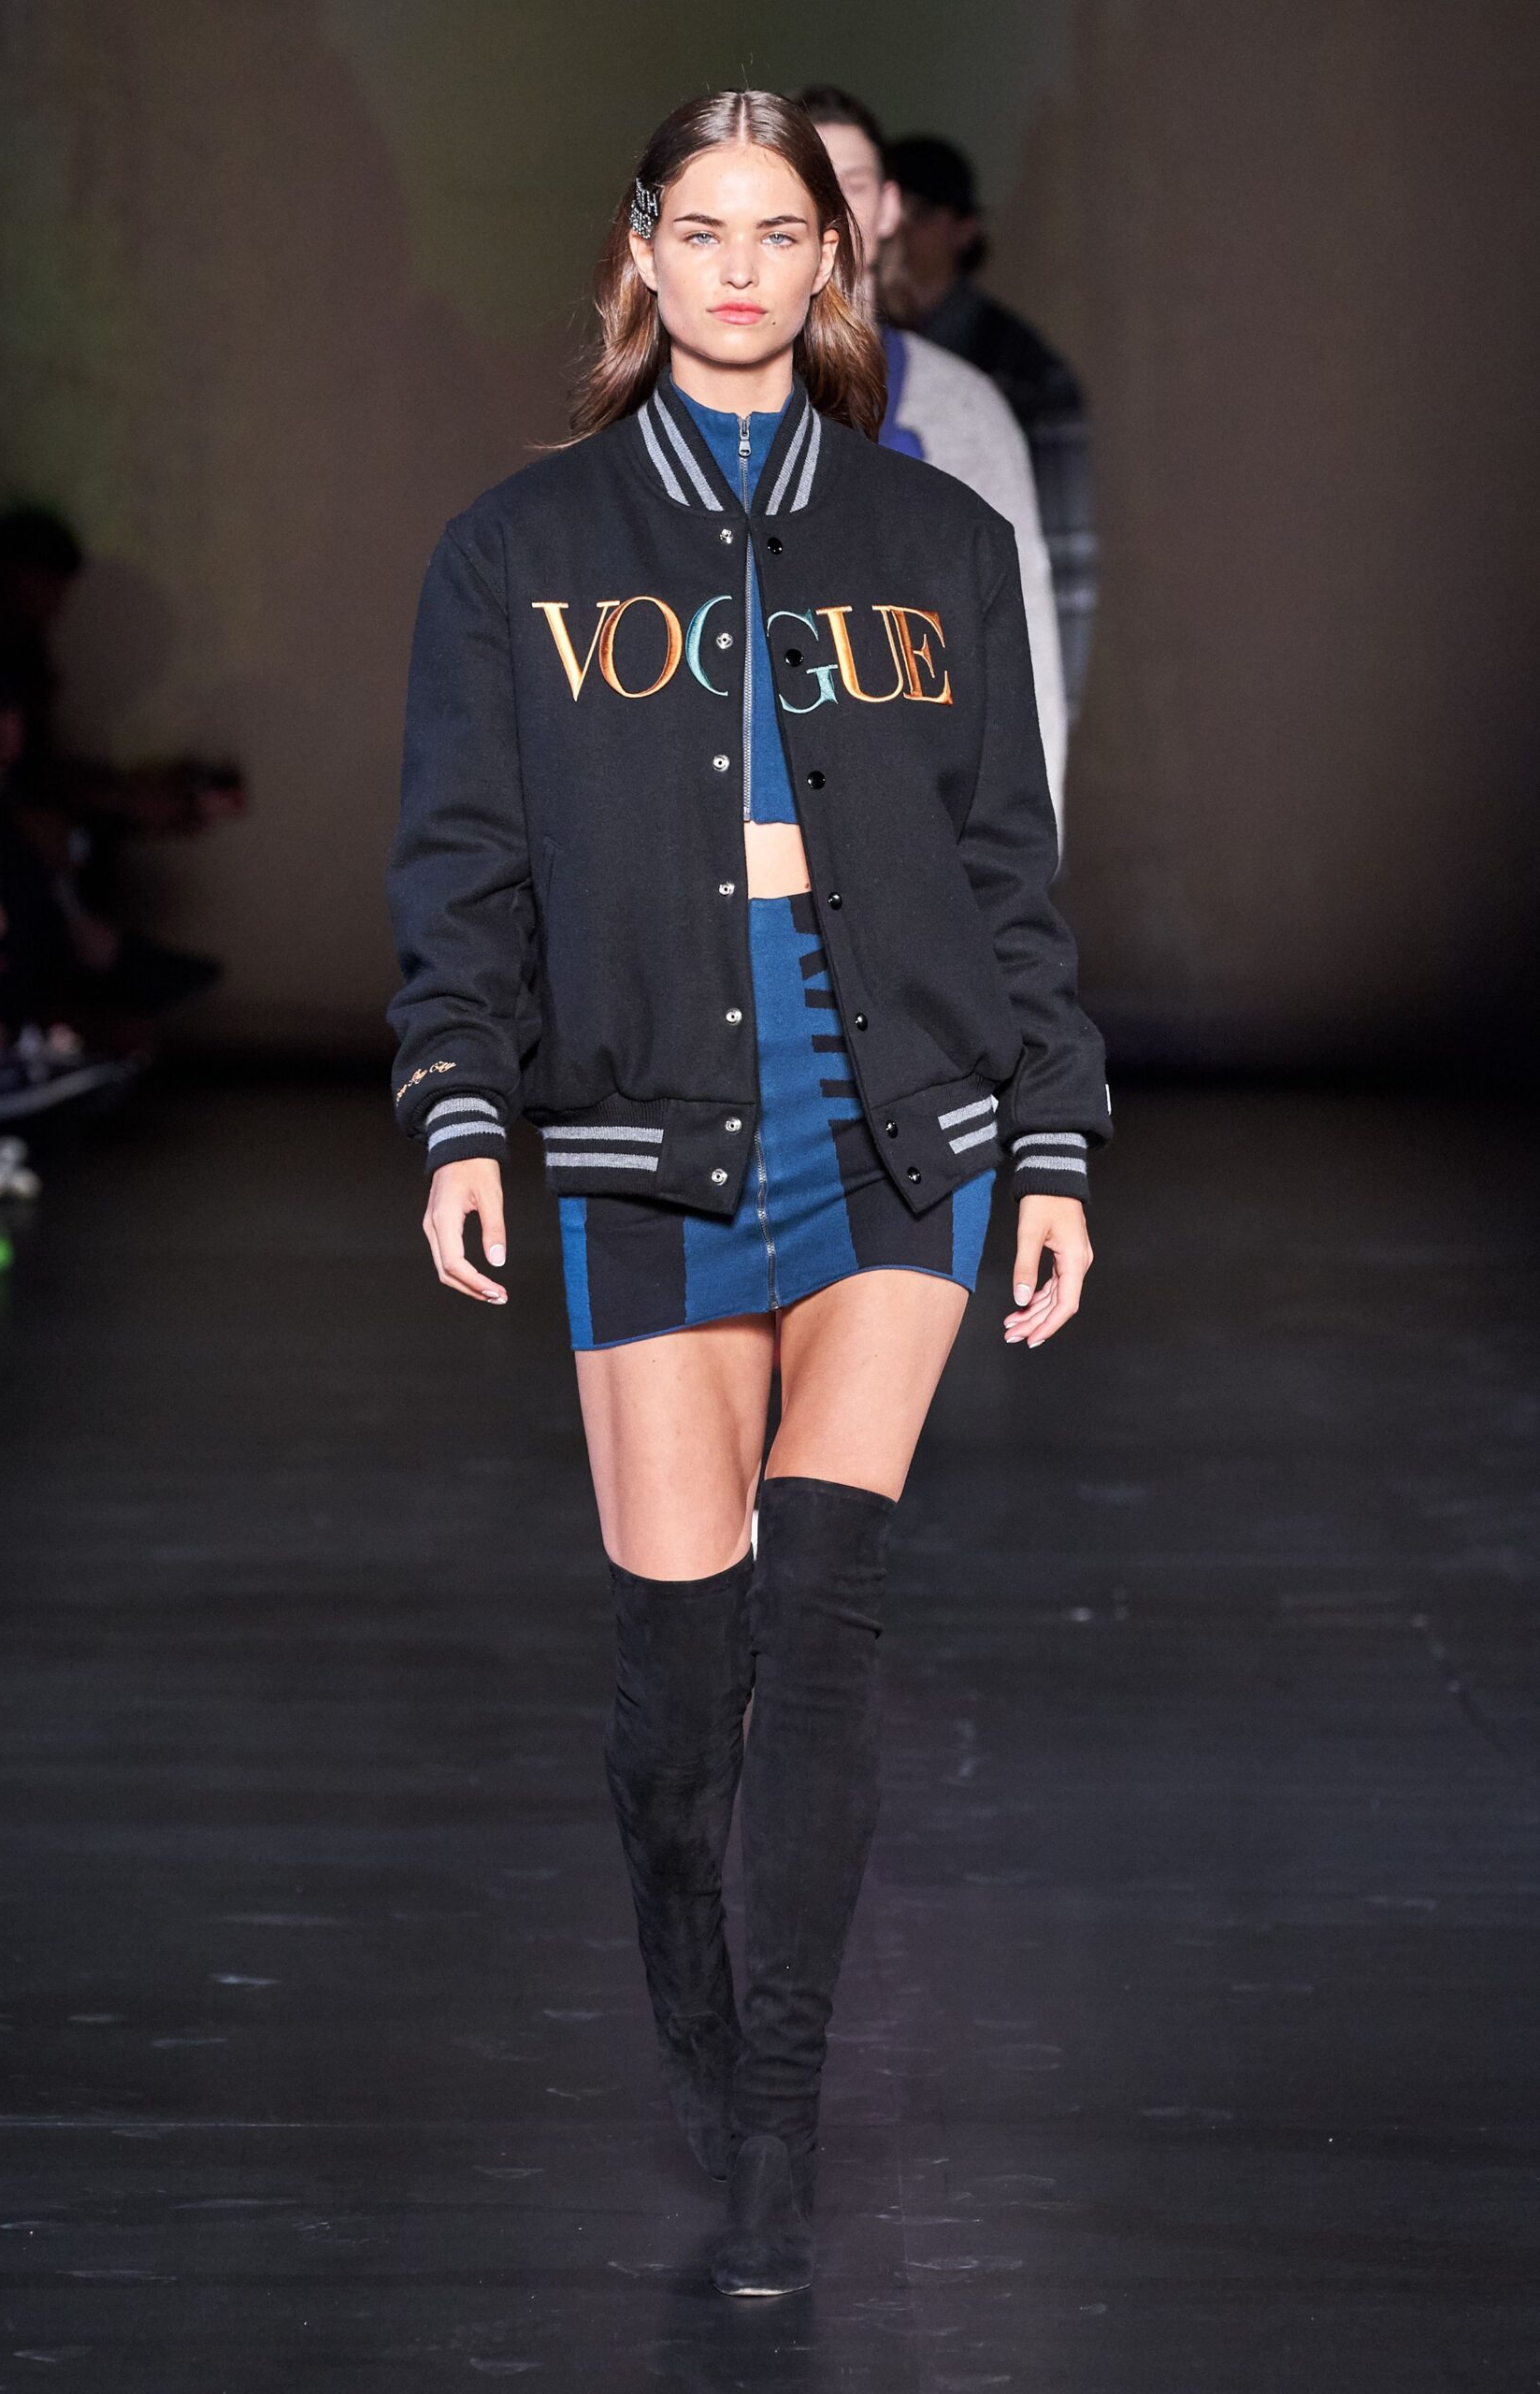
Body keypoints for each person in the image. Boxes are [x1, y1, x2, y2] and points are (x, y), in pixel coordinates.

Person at [384, 89, 1111, 2298]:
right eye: (694, 229)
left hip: (902, 1117)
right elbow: (461, 860)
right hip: (649, 1120)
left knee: (826, 1615)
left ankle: (779, 2116)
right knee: (675, 1681)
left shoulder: (933, 542)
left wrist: (1051, 1137)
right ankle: (706, 2045)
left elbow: (1004, 868)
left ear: (828, 261)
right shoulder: (516, 548)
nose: (732, 268)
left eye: (772, 230)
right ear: (641, 252)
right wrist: (458, 1107)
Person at [796, 84, 1069, 844]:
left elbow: (1021, 645)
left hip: (921, 832)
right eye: (800, 183)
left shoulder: (963, 408)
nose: (828, 212)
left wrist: (1023, 857)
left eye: (849, 184)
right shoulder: (702, 404)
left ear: (888, 208)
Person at [881, 134, 1100, 723]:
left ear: (964, 229)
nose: (896, 227)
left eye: (917, 211)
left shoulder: (1024, 375)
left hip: (970, 684)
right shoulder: (841, 354)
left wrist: (1047, 717)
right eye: (888, 205)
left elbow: (1063, 562)